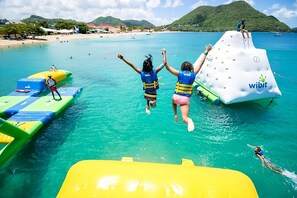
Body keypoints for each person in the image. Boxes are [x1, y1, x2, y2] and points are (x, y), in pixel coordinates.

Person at [162, 44, 212, 132]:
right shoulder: (194, 73)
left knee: (173, 99)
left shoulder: (179, 73)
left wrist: (164, 53)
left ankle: (175, 114)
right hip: (184, 100)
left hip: (176, 98)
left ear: (182, 68)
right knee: (185, 118)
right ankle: (189, 120)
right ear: (190, 68)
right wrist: (206, 51)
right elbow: (201, 62)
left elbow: (166, 65)